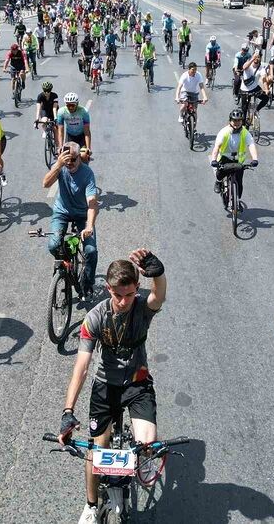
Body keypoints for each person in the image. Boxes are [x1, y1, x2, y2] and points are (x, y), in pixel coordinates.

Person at [58, 248, 166, 524]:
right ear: (108, 289)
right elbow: (81, 366)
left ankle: (137, 451)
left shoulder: (141, 306)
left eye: (129, 295)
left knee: (146, 444)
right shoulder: (95, 317)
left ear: (136, 290)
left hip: (137, 383)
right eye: (118, 295)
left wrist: (160, 275)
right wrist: (67, 411)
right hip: (105, 385)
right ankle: (91, 505)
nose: (123, 301)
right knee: (97, 451)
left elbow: (158, 296)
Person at [42, 141, 98, 299]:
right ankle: (66, 262)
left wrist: (89, 227)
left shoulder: (87, 173)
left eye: (73, 159)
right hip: (62, 211)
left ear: (79, 158)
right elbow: (46, 184)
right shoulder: (61, 167)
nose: (70, 163)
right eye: (66, 159)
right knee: (53, 245)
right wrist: (58, 165)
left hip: (82, 214)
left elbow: (92, 204)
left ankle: (87, 284)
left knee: (90, 251)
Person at [209, 109, 259, 200]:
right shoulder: (224, 132)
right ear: (230, 121)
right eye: (234, 120)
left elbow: (251, 145)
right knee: (220, 173)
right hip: (225, 158)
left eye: (239, 120)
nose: (237, 123)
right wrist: (213, 159)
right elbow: (216, 147)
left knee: (239, 183)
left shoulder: (245, 133)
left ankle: (237, 202)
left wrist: (255, 159)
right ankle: (218, 181)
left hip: (238, 160)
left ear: (242, 121)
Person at [55, 92, 91, 157]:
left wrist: (88, 147)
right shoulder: (61, 112)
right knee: (67, 157)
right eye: (68, 105)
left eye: (72, 105)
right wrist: (60, 146)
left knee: (83, 156)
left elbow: (87, 131)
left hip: (81, 136)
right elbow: (60, 131)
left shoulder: (84, 112)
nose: (70, 107)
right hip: (70, 136)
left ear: (77, 104)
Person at [238, 51, 270, 123]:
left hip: (255, 88)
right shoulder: (248, 64)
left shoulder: (261, 68)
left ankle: (256, 110)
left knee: (266, 98)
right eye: (255, 57)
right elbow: (244, 67)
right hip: (245, 89)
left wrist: (266, 89)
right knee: (244, 109)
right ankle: (243, 126)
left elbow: (264, 80)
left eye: (258, 57)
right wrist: (252, 59)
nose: (256, 58)